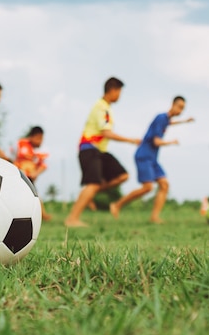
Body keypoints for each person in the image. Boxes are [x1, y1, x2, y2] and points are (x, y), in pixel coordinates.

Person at [64, 77, 141, 227]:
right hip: (89, 149)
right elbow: (107, 133)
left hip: (99, 151)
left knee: (123, 176)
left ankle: (89, 195)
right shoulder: (101, 107)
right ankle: (72, 219)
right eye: (119, 92)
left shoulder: (106, 108)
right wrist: (130, 140)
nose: (119, 96)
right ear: (113, 90)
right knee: (92, 184)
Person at [110, 96, 194, 224]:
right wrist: (171, 142)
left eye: (183, 109)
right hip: (144, 155)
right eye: (180, 107)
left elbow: (170, 123)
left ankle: (154, 217)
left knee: (164, 185)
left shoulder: (166, 120)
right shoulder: (161, 118)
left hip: (153, 158)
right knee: (148, 187)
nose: (181, 111)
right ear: (173, 104)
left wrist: (184, 121)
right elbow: (156, 141)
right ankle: (117, 205)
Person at [13, 126, 53, 221]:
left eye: (41, 139)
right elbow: (9, 156)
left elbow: (44, 165)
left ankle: (42, 214)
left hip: (29, 178)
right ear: (31, 137)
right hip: (16, 176)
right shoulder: (20, 144)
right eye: (38, 138)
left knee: (35, 195)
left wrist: (36, 173)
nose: (40, 141)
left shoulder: (42, 151)